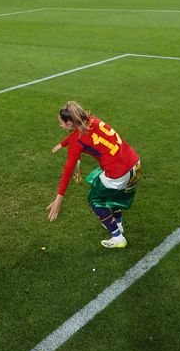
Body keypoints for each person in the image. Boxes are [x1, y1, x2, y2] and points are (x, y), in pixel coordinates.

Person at [47, 101, 141, 249]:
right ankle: (118, 223)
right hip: (134, 162)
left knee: (95, 199)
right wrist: (63, 144)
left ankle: (118, 237)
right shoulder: (91, 120)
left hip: (118, 172)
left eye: (61, 123)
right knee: (107, 189)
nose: (60, 125)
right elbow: (77, 135)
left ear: (70, 124)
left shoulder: (77, 141)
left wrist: (59, 198)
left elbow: (68, 170)